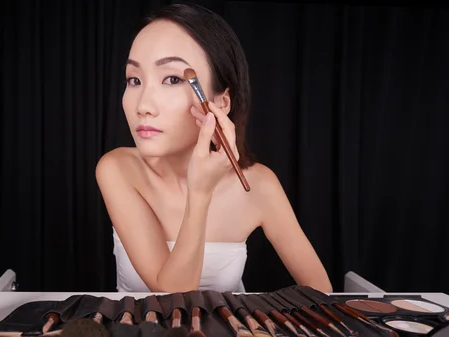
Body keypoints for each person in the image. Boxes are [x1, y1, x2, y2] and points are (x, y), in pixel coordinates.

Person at [95, 3, 332, 294]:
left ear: (220, 103)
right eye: (134, 80)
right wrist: (201, 193)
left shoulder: (258, 185)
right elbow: (173, 293)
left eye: (172, 79)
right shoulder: (118, 169)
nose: (142, 106)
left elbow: (321, 291)